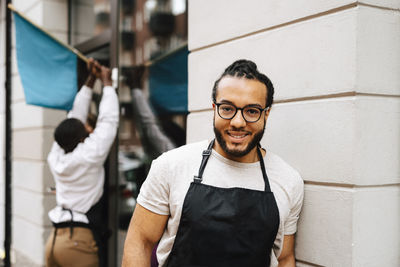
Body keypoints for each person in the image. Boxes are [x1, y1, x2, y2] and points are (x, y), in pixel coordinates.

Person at [122, 59, 304, 267]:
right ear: (214, 108)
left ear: (266, 114)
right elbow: (140, 242)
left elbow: (284, 258)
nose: (237, 122)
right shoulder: (172, 166)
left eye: (252, 111)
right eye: (227, 109)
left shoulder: (288, 180)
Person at [45, 59, 119, 267]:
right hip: (77, 242)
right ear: (80, 140)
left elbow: (73, 116)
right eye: (85, 132)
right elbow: (108, 121)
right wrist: (107, 84)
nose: (89, 133)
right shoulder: (87, 156)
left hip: (54, 240)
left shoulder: (56, 154)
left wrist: (90, 80)